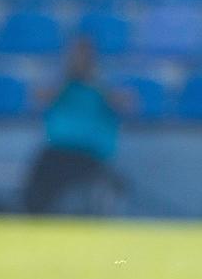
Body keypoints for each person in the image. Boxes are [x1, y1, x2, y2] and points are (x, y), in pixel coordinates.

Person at [22, 37, 127, 215]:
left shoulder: (101, 85)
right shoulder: (62, 85)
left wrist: (95, 82)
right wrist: (65, 80)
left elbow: (126, 103)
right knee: (38, 181)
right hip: (58, 150)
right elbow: (38, 98)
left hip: (90, 154)